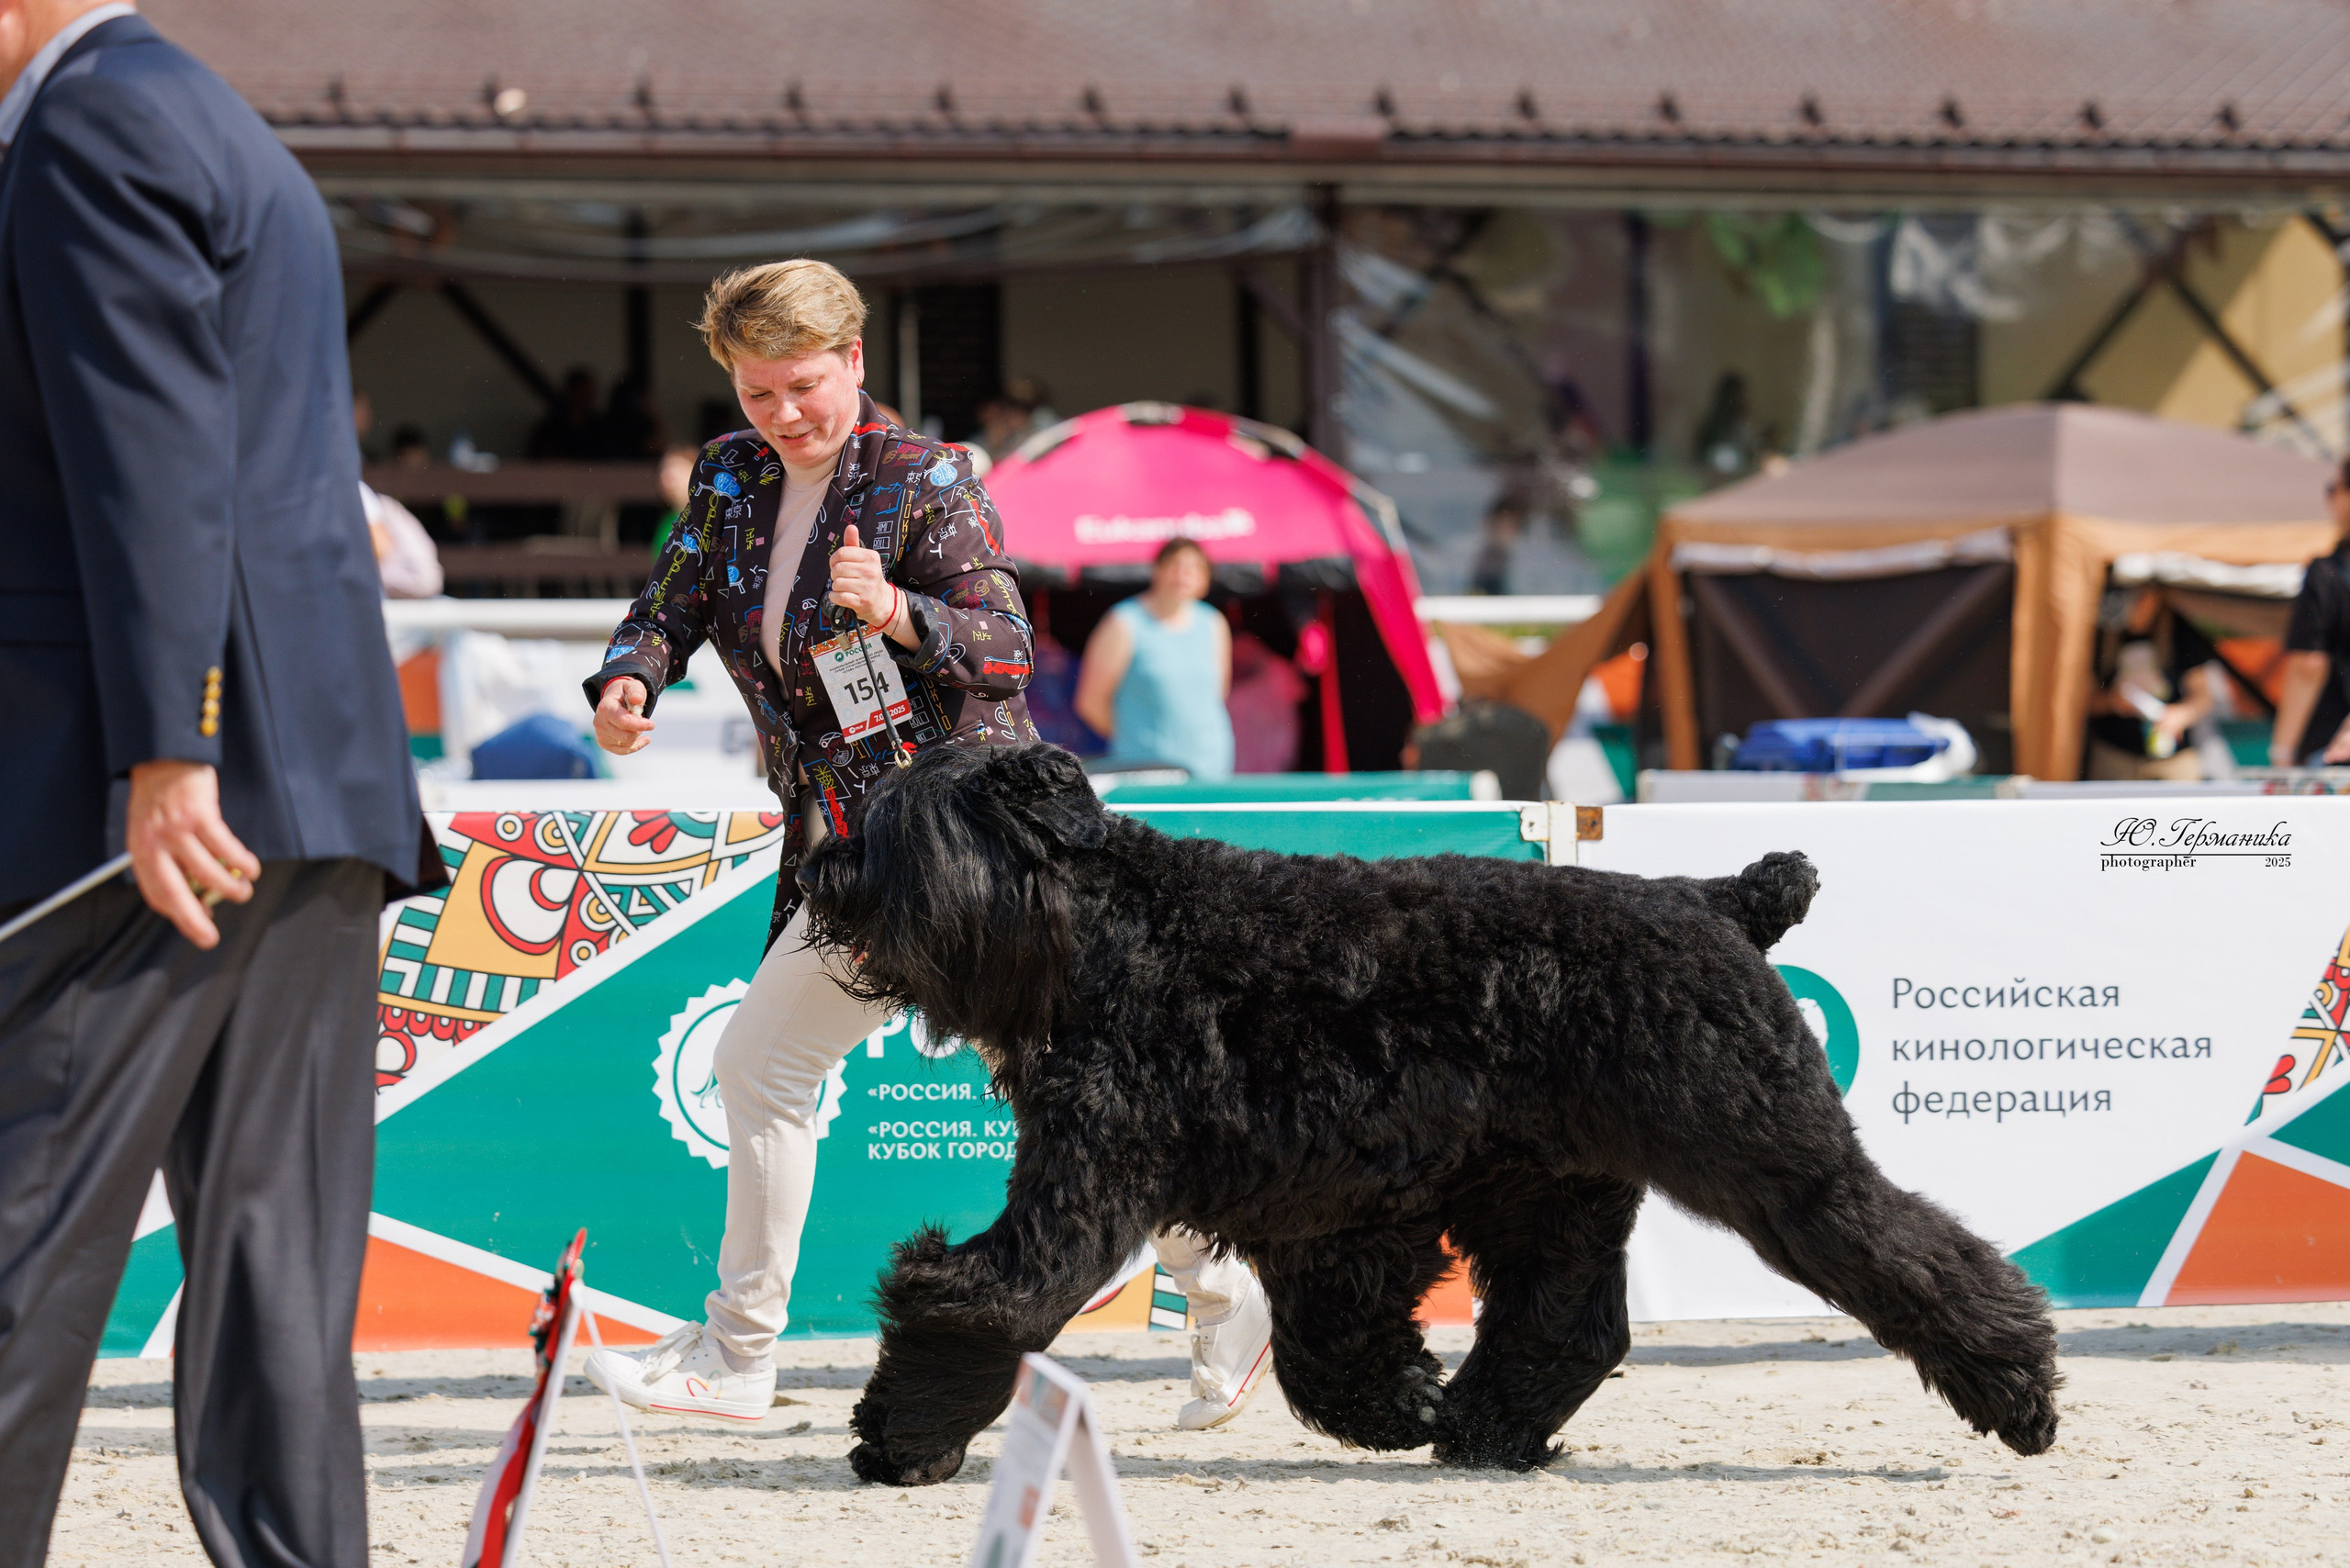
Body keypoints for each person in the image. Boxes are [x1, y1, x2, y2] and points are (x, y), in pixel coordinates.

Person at [577, 260, 1270, 1433]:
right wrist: (631, 676)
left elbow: (1004, 652)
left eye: (802, 386)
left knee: (1031, 1085)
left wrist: (896, 613)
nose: (781, 415)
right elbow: (674, 599)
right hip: (847, 846)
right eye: (756, 393)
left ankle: (742, 1355)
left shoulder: (927, 478)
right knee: (920, 1075)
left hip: (967, 845)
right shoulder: (731, 475)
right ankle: (1222, 1289)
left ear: (854, 362)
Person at [0, 6, 443, 1565]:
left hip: (170, 797)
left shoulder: (84, 126)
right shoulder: (208, 115)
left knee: (23, 1217)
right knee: (274, 1268)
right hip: (314, 777)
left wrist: (170, 747)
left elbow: (155, 454)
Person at [1075, 537, 1237, 779]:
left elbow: (1217, 694)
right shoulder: (1124, 623)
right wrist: (1137, 739)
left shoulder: (1214, 623)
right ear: (1157, 570)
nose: (1183, 576)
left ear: (1205, 579)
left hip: (1212, 769)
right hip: (1146, 773)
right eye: (1175, 566)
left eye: (1194, 568)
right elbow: (1090, 703)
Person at [2270, 458, 2350, 767]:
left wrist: (2282, 751)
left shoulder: (2327, 572)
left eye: (2333, 488)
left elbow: (2309, 664)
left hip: (2333, 747)